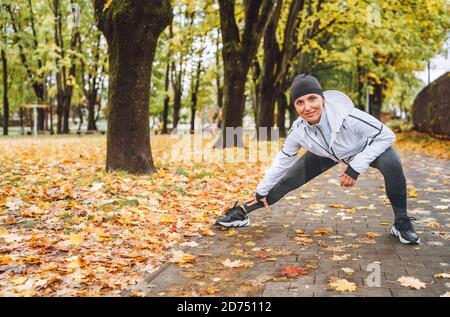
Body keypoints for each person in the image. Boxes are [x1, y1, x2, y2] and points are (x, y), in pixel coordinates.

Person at [215, 74, 419, 245]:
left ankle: (401, 222)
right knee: (285, 181)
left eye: (312, 99)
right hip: (328, 154)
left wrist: (355, 167)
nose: (307, 107)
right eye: (300, 102)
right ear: (295, 107)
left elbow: (387, 135)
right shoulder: (298, 130)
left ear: (323, 99)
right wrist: (262, 188)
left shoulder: (349, 116)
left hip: (367, 149)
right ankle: (241, 213)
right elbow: (283, 160)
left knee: (392, 163)